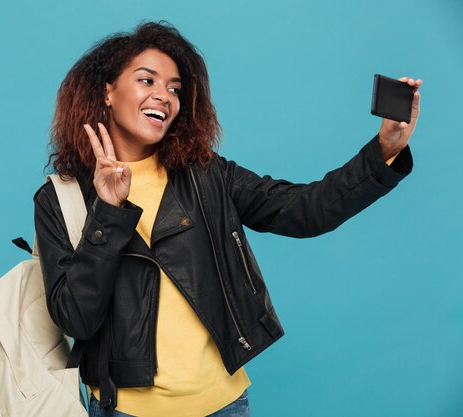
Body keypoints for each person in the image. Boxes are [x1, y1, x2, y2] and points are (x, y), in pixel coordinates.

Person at [34, 21, 421, 417]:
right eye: (146, 80)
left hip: (224, 405)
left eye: (174, 88)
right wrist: (109, 211)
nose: (163, 96)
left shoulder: (206, 174)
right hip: (125, 410)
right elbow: (75, 319)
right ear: (107, 92)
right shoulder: (60, 199)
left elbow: (306, 210)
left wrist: (383, 151)